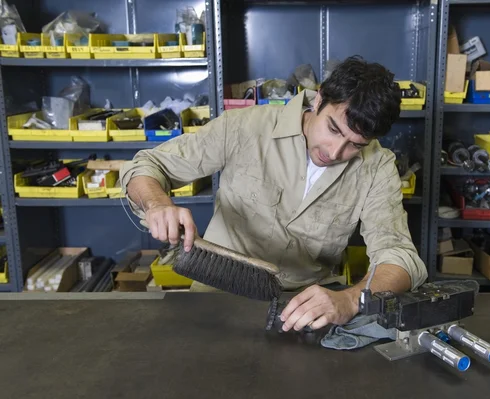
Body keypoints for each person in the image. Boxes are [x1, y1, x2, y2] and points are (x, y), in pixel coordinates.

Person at [120, 55, 428, 332]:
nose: (335, 152)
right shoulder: (244, 127)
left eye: (355, 144)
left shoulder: (377, 166)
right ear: (318, 100)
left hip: (303, 306)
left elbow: (398, 256)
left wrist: (349, 300)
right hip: (218, 295)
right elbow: (147, 165)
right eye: (333, 129)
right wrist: (157, 203)